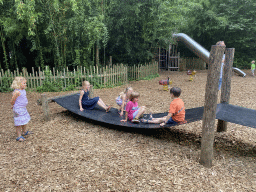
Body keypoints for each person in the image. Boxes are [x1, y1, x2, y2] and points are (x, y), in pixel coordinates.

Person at [10, 76, 32, 142]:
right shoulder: (17, 92)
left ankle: (24, 131)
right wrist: (13, 105)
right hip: (18, 109)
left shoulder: (23, 90)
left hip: (23, 109)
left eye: (25, 83)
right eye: (24, 83)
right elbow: (12, 101)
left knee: (24, 120)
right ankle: (19, 136)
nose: (26, 84)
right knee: (18, 123)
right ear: (18, 84)